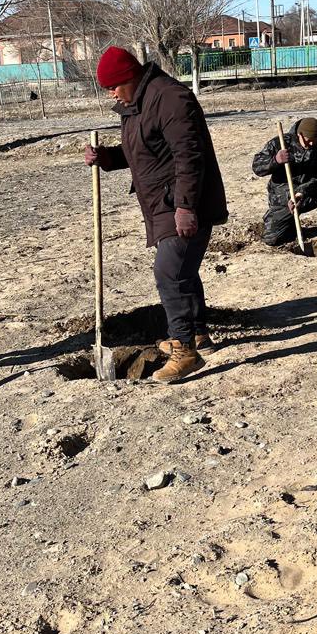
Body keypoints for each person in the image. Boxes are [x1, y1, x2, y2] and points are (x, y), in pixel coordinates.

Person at [83, 46, 228, 383]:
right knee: (183, 271)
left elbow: (189, 157)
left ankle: (184, 349)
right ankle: (198, 334)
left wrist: (186, 207)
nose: (111, 94)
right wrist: (107, 157)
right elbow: (142, 150)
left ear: (129, 77)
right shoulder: (137, 104)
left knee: (169, 273)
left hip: (183, 202)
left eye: (112, 86)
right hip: (163, 202)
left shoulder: (171, 99)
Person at [252, 116, 317, 246]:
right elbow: (257, 168)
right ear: (299, 134)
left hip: (307, 194)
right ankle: (278, 219)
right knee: (272, 239)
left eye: (315, 140)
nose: (312, 144)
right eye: (308, 140)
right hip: (284, 199)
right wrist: (276, 160)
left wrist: (301, 192)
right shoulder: (281, 143)